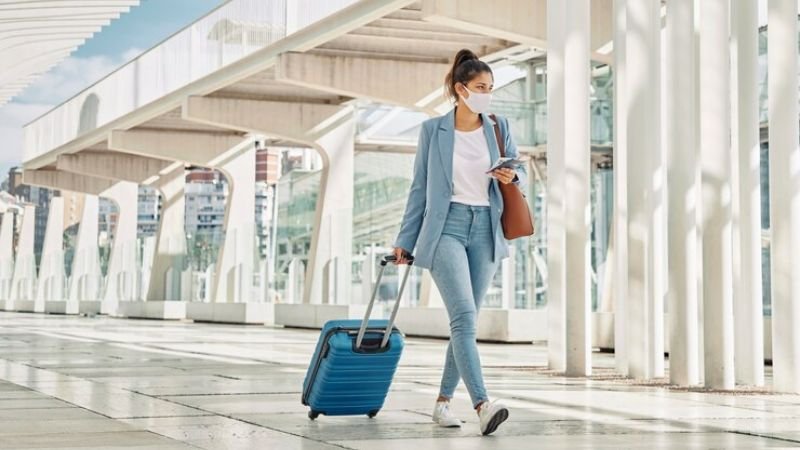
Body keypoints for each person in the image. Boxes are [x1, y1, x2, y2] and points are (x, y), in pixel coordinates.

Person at [392, 48, 526, 436]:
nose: (487, 94)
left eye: (491, 88)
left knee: (463, 322)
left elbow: (518, 172)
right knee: (465, 317)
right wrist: (405, 239)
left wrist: (510, 178)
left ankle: (442, 403)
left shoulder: (498, 126)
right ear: (460, 89)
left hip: (485, 226)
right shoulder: (433, 131)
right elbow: (420, 188)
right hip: (445, 226)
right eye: (481, 87)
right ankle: (483, 404)